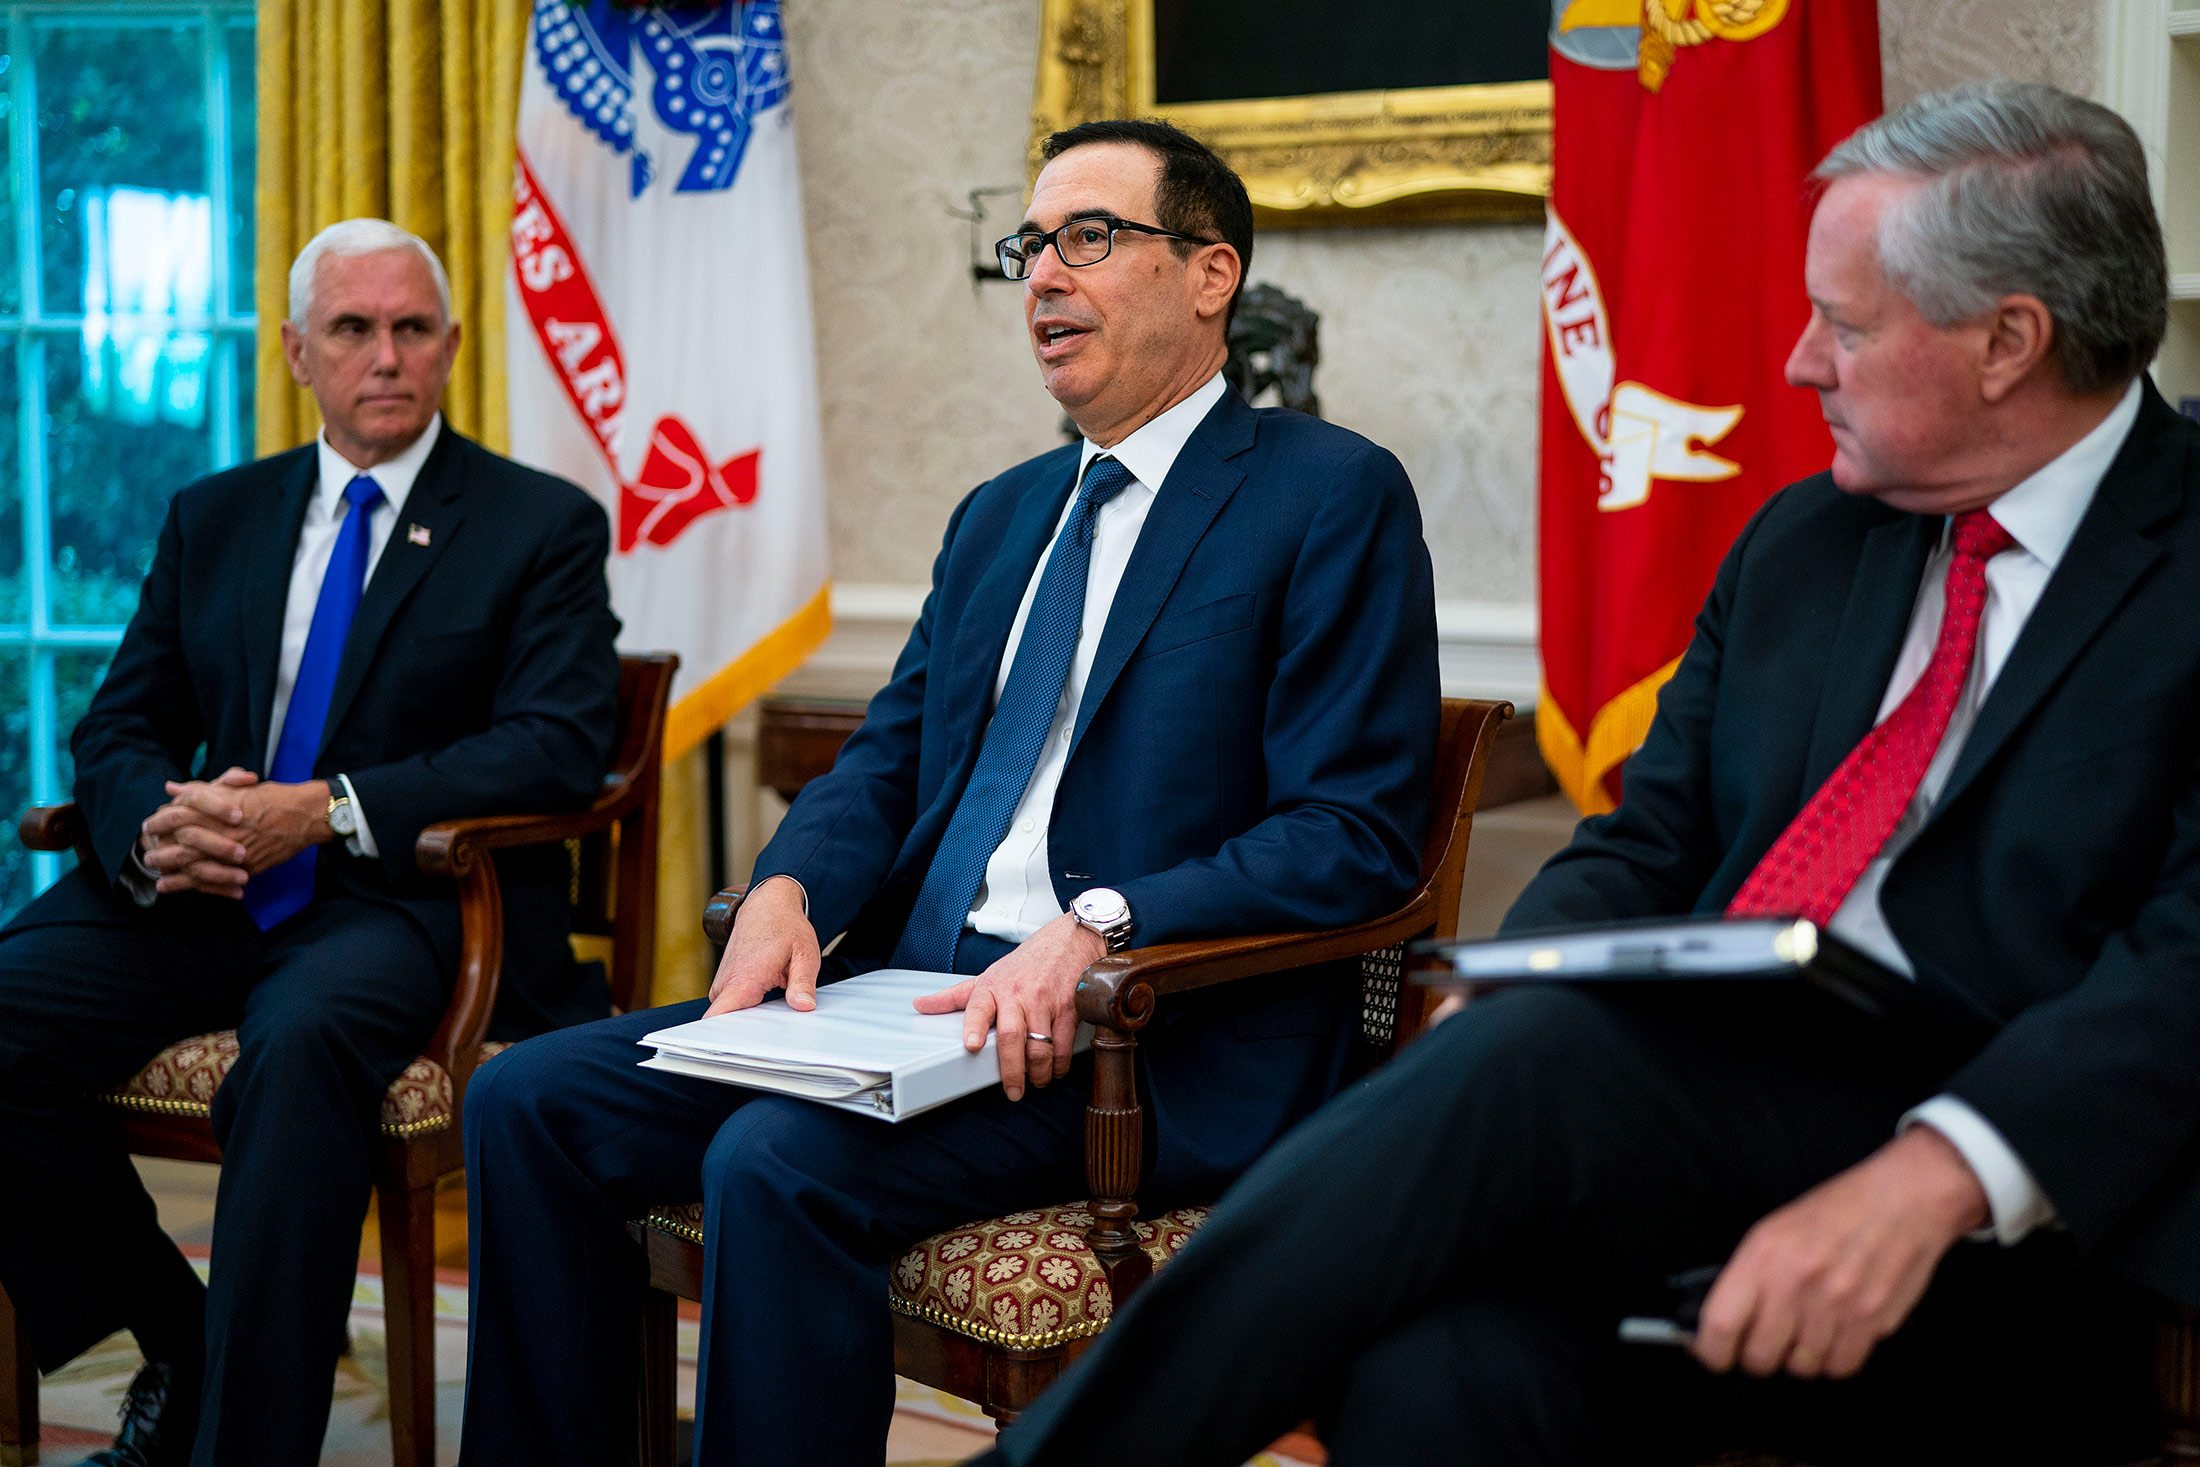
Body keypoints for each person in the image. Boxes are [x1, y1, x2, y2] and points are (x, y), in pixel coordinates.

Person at [981, 81, 2197, 1467]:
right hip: (1672, 1137)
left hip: (2020, 1224)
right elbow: (1643, 842)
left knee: (1538, 1069)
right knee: (1430, 1374)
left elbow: (2185, 964)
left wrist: (1934, 1175)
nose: (1798, 362)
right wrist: (1489, 1013)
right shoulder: (1805, 542)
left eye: (1845, 324)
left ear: (2009, 342)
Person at [458, 119, 1439, 1466]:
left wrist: (1102, 921)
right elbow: (885, 755)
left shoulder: (1330, 494)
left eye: (1090, 237)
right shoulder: (1002, 512)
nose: (1043, 274)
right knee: (528, 1100)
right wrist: (792, 881)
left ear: (1211, 275)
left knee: (768, 1160)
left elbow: (1353, 832)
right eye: (1031, 244)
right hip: (911, 999)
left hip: (1138, 1035)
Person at [0, 219, 622, 1467]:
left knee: (298, 1055)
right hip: (197, 895)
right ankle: (180, 1340)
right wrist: (151, 829)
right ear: (297, 351)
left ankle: (249, 1445)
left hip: (395, 906)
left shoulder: (537, 523)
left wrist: (327, 804)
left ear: (449, 347)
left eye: (410, 329)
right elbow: (123, 720)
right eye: (352, 328)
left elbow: (554, 743)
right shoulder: (215, 513)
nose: (384, 355)